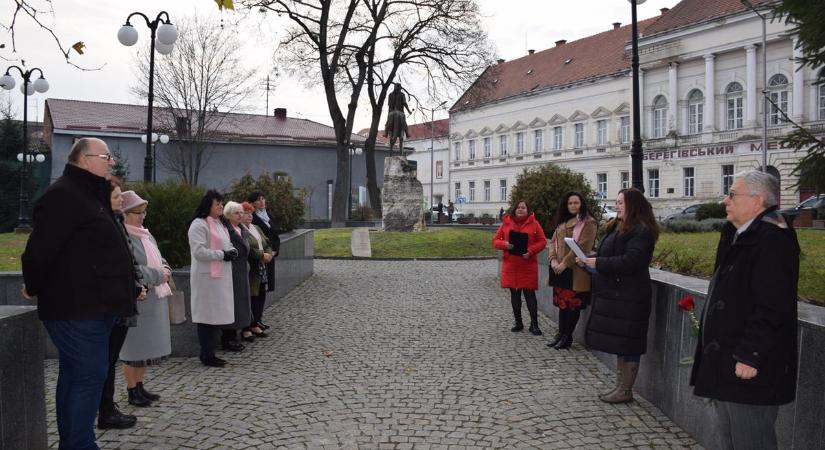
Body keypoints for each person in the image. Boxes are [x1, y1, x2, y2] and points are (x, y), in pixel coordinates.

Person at [21, 137, 142, 449]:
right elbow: (39, 251)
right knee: (87, 379)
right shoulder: (64, 195)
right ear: (85, 159)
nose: (111, 162)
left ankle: (73, 444)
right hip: (77, 309)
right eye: (106, 156)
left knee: (77, 378)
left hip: (93, 307)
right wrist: (33, 284)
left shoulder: (88, 194)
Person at [689, 170, 798, 450]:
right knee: (727, 439)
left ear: (757, 200)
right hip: (727, 360)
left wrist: (751, 355)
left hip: (749, 366)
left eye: (733, 194)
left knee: (752, 440)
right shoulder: (739, 233)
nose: (725, 200)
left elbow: (774, 305)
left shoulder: (773, 238)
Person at [577, 187, 659, 404]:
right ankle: (620, 387)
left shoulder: (642, 230)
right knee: (622, 344)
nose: (616, 206)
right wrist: (589, 262)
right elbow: (611, 256)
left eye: (621, 202)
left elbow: (632, 261)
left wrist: (598, 263)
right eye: (616, 202)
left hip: (631, 297)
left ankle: (625, 390)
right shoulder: (619, 227)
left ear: (633, 205)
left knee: (629, 344)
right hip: (618, 294)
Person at [119, 190, 173, 408]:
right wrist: (161, 275)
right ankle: (132, 390)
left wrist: (166, 268)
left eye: (144, 212)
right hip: (138, 297)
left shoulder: (145, 234)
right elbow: (133, 268)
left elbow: (159, 258)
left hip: (154, 297)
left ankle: (140, 385)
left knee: (146, 349)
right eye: (137, 213)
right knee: (133, 349)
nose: (142, 217)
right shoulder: (124, 236)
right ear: (124, 214)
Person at [98, 179, 143, 429]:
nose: (120, 201)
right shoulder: (106, 223)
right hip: (111, 303)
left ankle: (107, 407)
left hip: (123, 300)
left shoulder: (116, 221)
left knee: (110, 358)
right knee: (106, 360)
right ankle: (105, 410)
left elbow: (128, 259)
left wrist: (137, 284)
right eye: (116, 197)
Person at [188, 190, 237, 367]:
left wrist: (231, 251)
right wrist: (221, 254)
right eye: (218, 204)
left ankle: (212, 351)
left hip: (220, 277)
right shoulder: (198, 224)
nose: (221, 207)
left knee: (216, 317)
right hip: (206, 279)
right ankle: (206, 354)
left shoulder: (220, 223)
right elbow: (199, 251)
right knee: (206, 317)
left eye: (222, 204)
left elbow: (228, 243)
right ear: (208, 205)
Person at [547, 192, 598, 350]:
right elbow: (553, 243)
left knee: (572, 305)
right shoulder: (562, 222)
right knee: (563, 305)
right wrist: (553, 260)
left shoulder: (588, 222)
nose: (573, 206)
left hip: (576, 271)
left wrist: (564, 263)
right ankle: (561, 334)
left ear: (581, 204)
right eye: (570, 203)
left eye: (576, 203)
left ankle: (567, 336)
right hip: (560, 270)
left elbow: (583, 246)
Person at [492, 200, 548, 335]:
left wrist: (531, 250)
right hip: (511, 264)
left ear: (528, 210)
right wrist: (505, 244)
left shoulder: (534, 223)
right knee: (515, 294)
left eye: (523, 207)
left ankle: (534, 324)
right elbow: (495, 241)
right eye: (518, 207)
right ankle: (518, 322)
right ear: (514, 209)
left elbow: (542, 241)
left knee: (529, 294)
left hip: (527, 264)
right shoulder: (506, 223)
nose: (521, 209)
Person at [220, 201, 253, 351]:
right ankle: (229, 337)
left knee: (241, 303)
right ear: (227, 215)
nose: (240, 215)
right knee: (232, 304)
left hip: (242, 270)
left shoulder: (241, 228)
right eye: (236, 213)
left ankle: (238, 331)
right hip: (232, 271)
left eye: (241, 212)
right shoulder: (226, 230)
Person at [241, 202, 273, 341]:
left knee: (260, 294)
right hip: (252, 267)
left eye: (251, 213)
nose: (249, 216)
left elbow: (267, 242)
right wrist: (261, 255)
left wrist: (269, 254)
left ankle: (256, 321)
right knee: (251, 297)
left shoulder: (256, 227)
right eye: (246, 213)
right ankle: (247, 326)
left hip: (262, 267)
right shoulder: (240, 230)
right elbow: (247, 248)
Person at [248, 191, 280, 330]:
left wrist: (273, 251)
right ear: (252, 203)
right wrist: (263, 255)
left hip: (269, 257)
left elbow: (275, 236)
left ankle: (259, 319)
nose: (262, 201)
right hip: (258, 260)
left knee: (263, 290)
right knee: (256, 291)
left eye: (263, 198)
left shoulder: (268, 216)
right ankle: (253, 321)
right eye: (258, 200)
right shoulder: (252, 219)